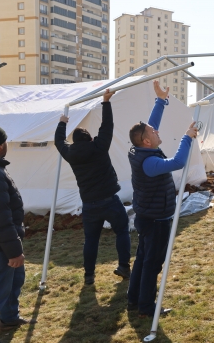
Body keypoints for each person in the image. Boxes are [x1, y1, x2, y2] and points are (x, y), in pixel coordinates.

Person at [127, 81, 198, 318]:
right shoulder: (149, 162)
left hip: (148, 215)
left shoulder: (141, 148)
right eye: (153, 133)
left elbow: (151, 125)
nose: (157, 131)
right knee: (152, 264)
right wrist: (187, 138)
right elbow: (177, 163)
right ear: (146, 141)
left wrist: (160, 100)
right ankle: (146, 308)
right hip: (156, 219)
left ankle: (134, 301)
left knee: (142, 260)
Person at [54, 89, 131, 285]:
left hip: (89, 204)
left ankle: (89, 275)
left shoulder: (70, 154)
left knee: (91, 240)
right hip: (110, 200)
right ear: (90, 138)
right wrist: (106, 102)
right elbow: (107, 126)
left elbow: (58, 141)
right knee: (122, 231)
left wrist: (62, 122)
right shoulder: (99, 147)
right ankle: (123, 266)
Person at [0, 127, 36, 330]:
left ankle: (9, 317)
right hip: (3, 246)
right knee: (4, 285)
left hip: (6, 242)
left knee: (13, 282)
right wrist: (13, 252)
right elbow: (1, 218)